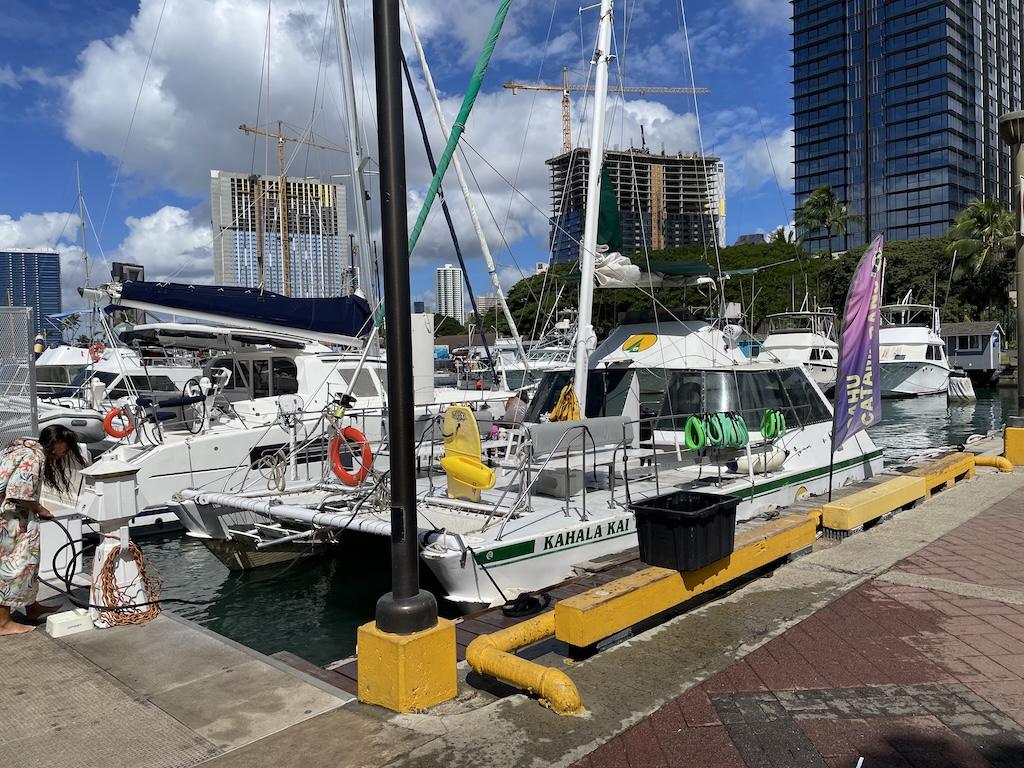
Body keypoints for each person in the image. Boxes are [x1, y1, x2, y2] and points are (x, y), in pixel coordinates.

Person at [0, 425, 83, 636]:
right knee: (13, 568)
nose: (66, 452)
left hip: (13, 518)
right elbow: (20, 493)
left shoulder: (21, 449)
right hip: (12, 521)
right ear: (56, 443)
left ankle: (32, 607)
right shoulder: (33, 456)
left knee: (27, 566)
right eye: (66, 447)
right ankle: (3, 623)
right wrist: (41, 509)